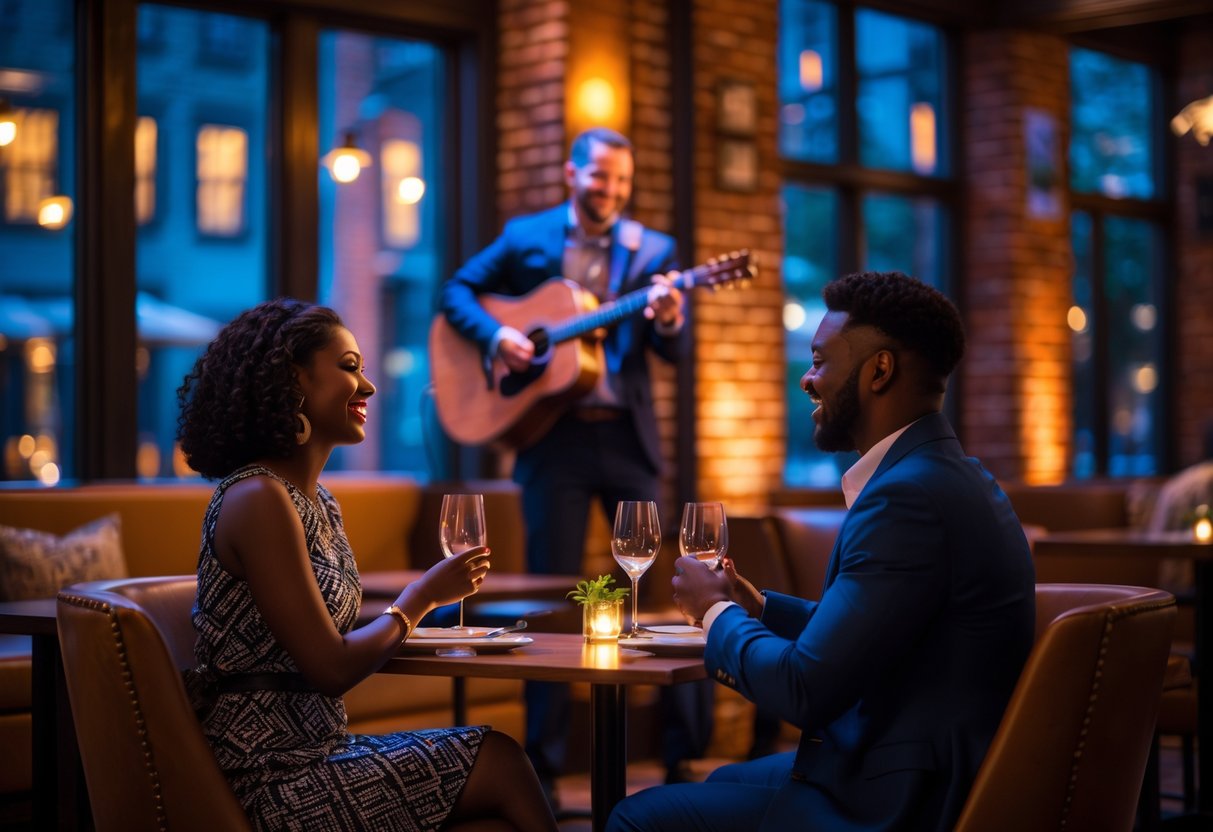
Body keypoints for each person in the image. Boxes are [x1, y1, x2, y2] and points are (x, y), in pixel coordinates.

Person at [608, 271, 1037, 832]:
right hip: (923, 765)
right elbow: (877, 633)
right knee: (717, 783)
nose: (807, 381)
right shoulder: (951, 476)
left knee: (636, 818)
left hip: (901, 801)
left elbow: (804, 690)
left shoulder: (905, 500)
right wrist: (759, 607)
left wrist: (717, 614)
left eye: (819, 360)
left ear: (879, 371)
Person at [176, 298, 558, 832]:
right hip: (270, 775)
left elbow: (324, 632)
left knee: (492, 798)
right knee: (498, 760)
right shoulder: (257, 497)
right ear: (294, 380)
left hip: (322, 750)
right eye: (350, 367)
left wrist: (418, 615)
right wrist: (421, 599)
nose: (370, 387)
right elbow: (330, 668)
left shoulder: (317, 503)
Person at [440, 126, 712, 793]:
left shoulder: (656, 251)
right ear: (571, 174)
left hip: (627, 437)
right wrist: (500, 333)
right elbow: (454, 294)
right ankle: (543, 762)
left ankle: (678, 757)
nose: (610, 191)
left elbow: (670, 353)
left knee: (649, 591)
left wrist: (670, 318)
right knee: (551, 596)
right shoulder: (525, 235)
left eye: (621, 181)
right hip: (550, 438)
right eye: (600, 178)